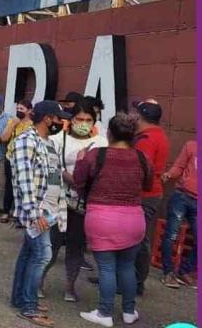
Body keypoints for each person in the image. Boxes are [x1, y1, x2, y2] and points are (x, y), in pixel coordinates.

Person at [72, 114, 151, 327]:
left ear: (109, 133)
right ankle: (128, 311)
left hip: (102, 218)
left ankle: (105, 313)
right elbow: (148, 185)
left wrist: (80, 160)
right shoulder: (142, 157)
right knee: (126, 267)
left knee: (107, 268)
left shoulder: (96, 155)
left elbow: (79, 182)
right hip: (134, 219)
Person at [10, 101, 71, 328]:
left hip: (51, 210)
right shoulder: (26, 141)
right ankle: (29, 305)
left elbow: (54, 178)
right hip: (38, 210)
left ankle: (21, 298)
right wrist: (35, 213)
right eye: (58, 118)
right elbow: (24, 181)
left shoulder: (49, 144)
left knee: (28, 254)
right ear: (48, 118)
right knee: (42, 255)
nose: (60, 122)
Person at [41, 99, 108, 302]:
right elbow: (49, 166)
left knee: (76, 248)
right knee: (51, 245)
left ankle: (70, 286)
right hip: (58, 201)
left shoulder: (101, 143)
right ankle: (39, 281)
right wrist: (69, 177)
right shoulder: (57, 139)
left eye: (88, 119)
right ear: (71, 120)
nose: (84, 123)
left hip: (84, 204)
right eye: (79, 118)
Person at [130, 98, 170, 295]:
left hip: (143, 195)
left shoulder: (147, 140)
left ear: (141, 116)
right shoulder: (157, 134)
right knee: (138, 238)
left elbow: (140, 169)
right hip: (150, 194)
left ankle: (134, 282)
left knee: (137, 239)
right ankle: (128, 279)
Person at [159, 140, 197, 289]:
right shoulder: (191, 145)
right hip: (181, 196)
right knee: (171, 236)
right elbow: (179, 166)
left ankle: (184, 271)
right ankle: (168, 273)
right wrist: (169, 174)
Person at [0, 100, 34, 224]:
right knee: (9, 185)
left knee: (23, 186)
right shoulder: (12, 122)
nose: (19, 111)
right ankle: (6, 211)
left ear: (29, 110)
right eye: (18, 108)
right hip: (11, 158)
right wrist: (12, 125)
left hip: (25, 160)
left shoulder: (32, 125)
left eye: (22, 109)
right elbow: (3, 138)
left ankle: (20, 214)